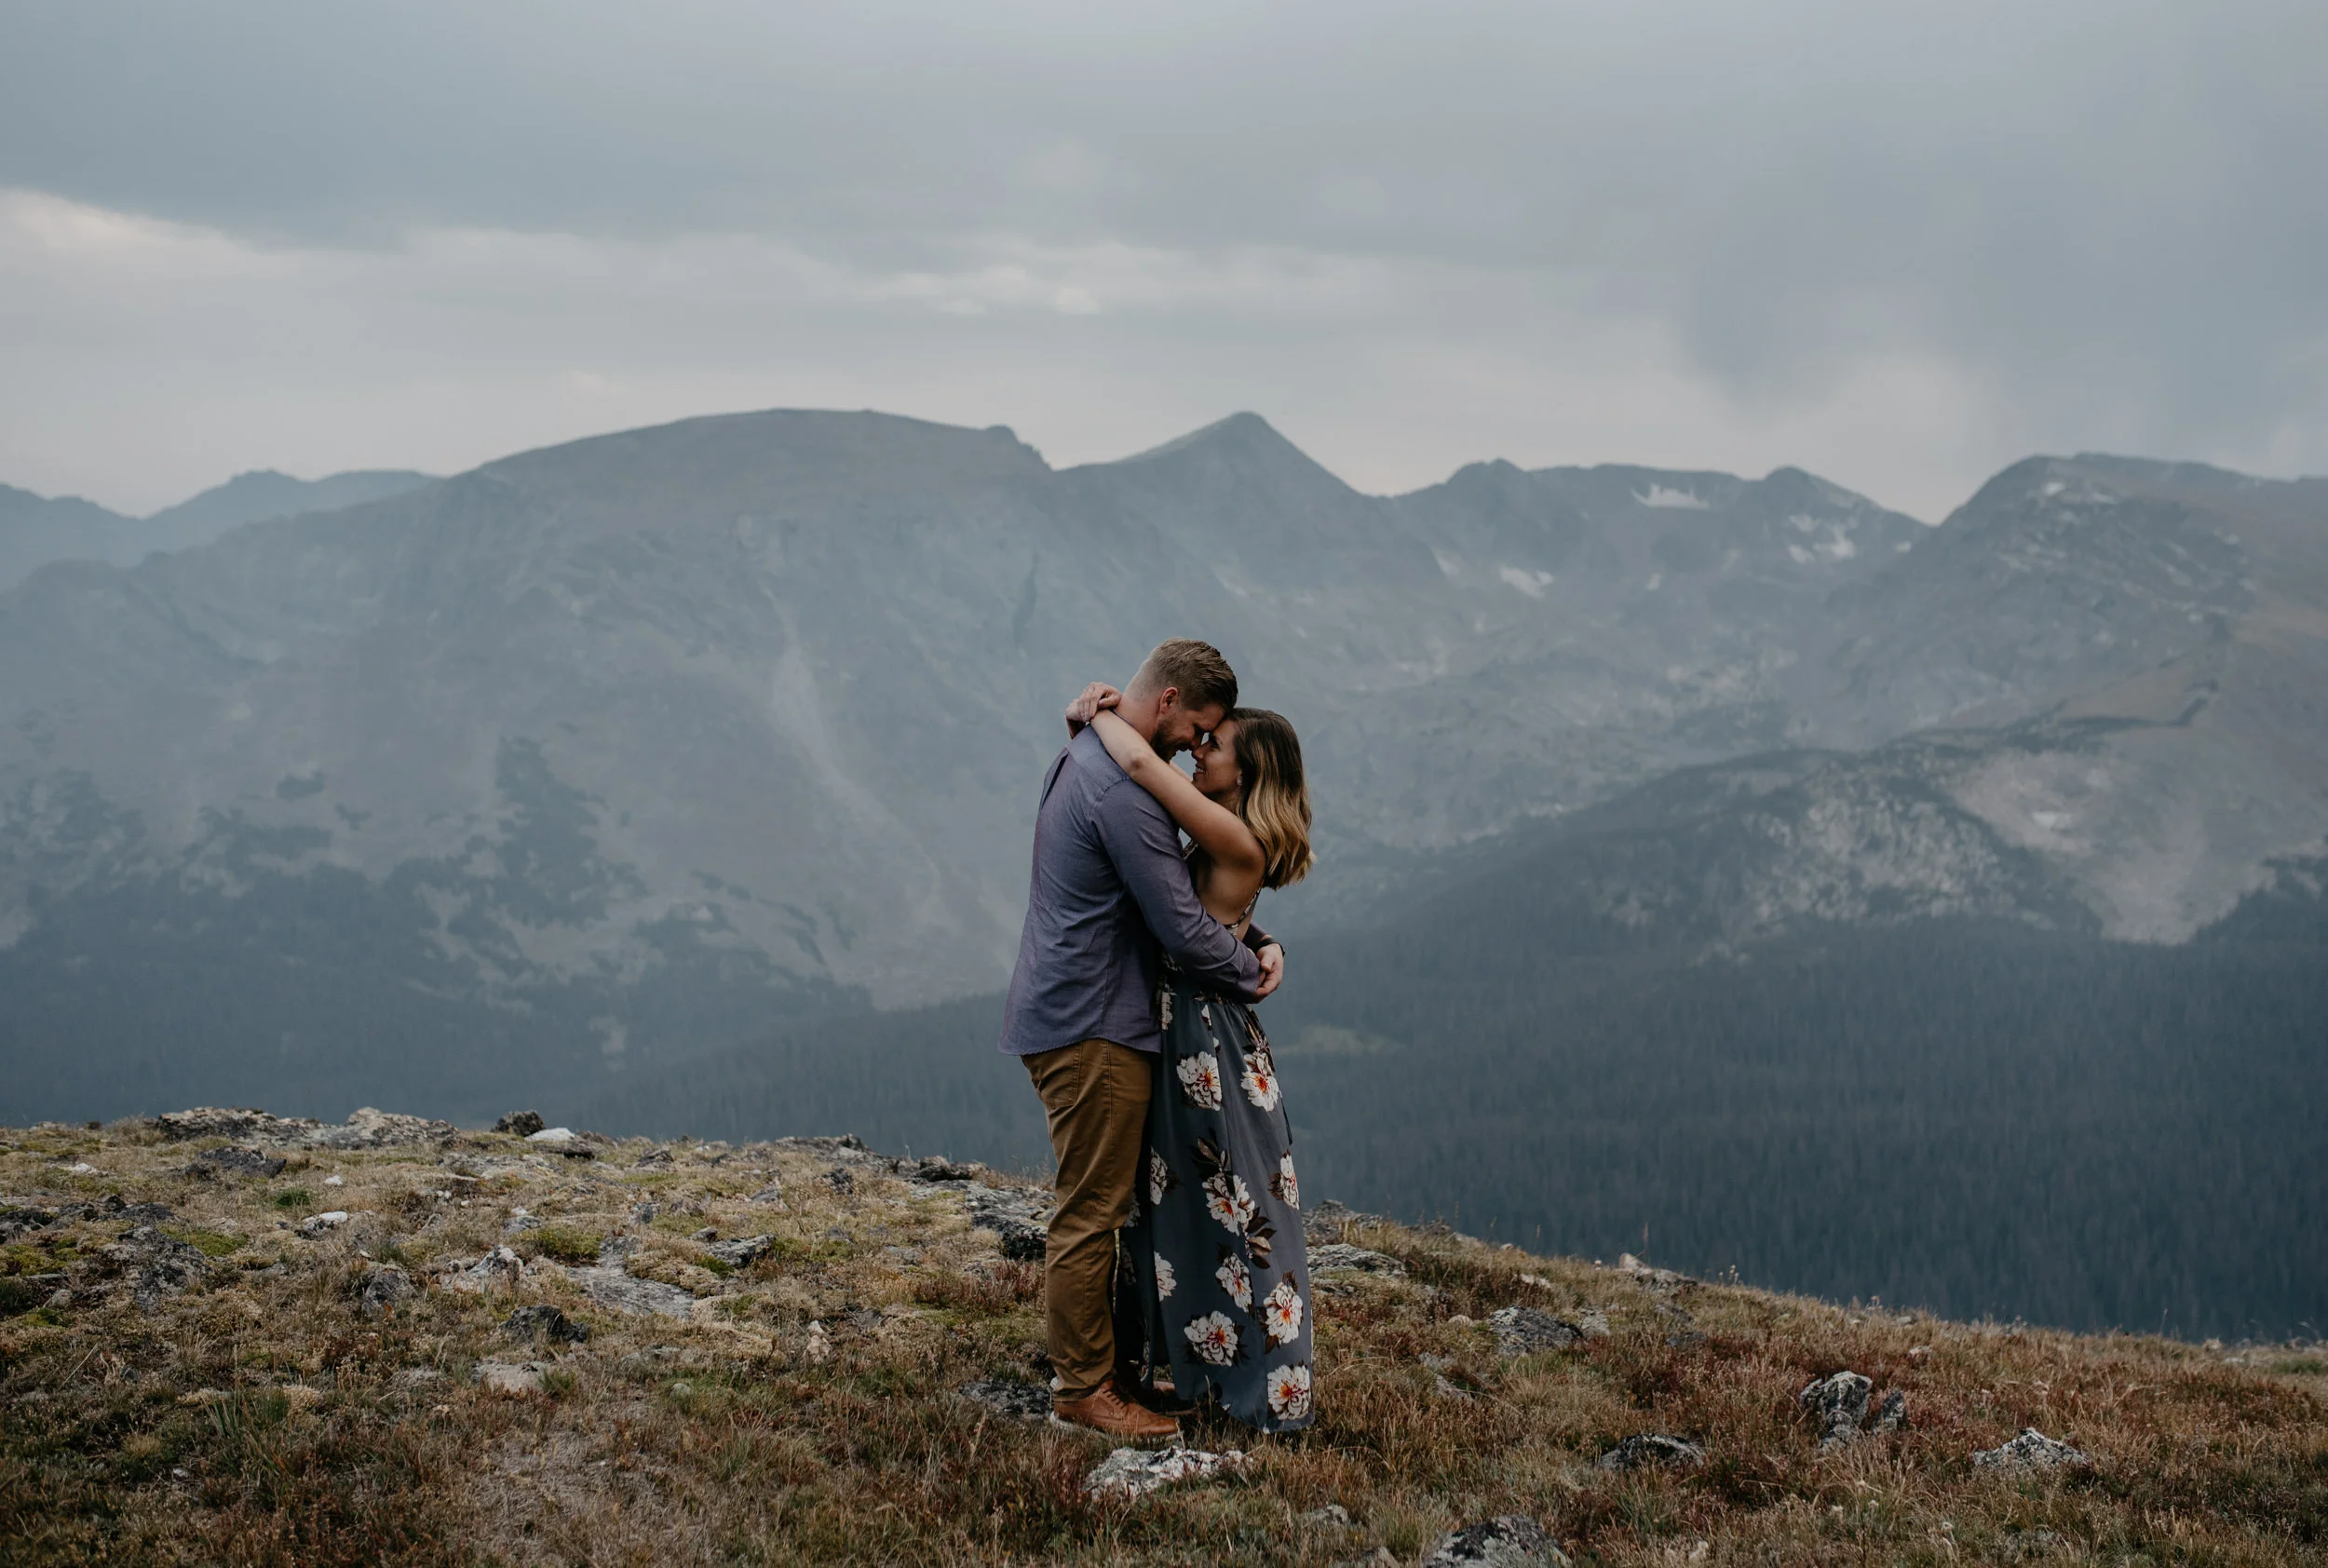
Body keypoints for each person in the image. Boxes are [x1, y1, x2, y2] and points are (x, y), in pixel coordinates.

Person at [997, 639, 1284, 1440]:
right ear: (1166, 704)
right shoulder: (1123, 793)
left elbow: (1179, 890)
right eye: (1198, 729)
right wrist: (1249, 965)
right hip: (1094, 1023)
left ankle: (1108, 1368)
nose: (1198, 747)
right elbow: (1185, 929)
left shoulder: (1087, 750)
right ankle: (1085, 1390)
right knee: (1091, 1209)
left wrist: (1257, 934)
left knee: (1110, 1205)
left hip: (1078, 1011)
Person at [1065, 686, 1317, 1432]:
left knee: (1230, 1202)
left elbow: (1141, 764)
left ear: (1248, 774)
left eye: (1215, 746)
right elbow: (1184, 892)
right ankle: (1187, 1363)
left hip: (1202, 1042)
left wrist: (1093, 716)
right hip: (1189, 1034)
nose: (1199, 751)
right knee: (1185, 1197)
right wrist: (1261, 939)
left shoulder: (1235, 839)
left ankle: (1259, 1385)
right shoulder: (1233, 840)